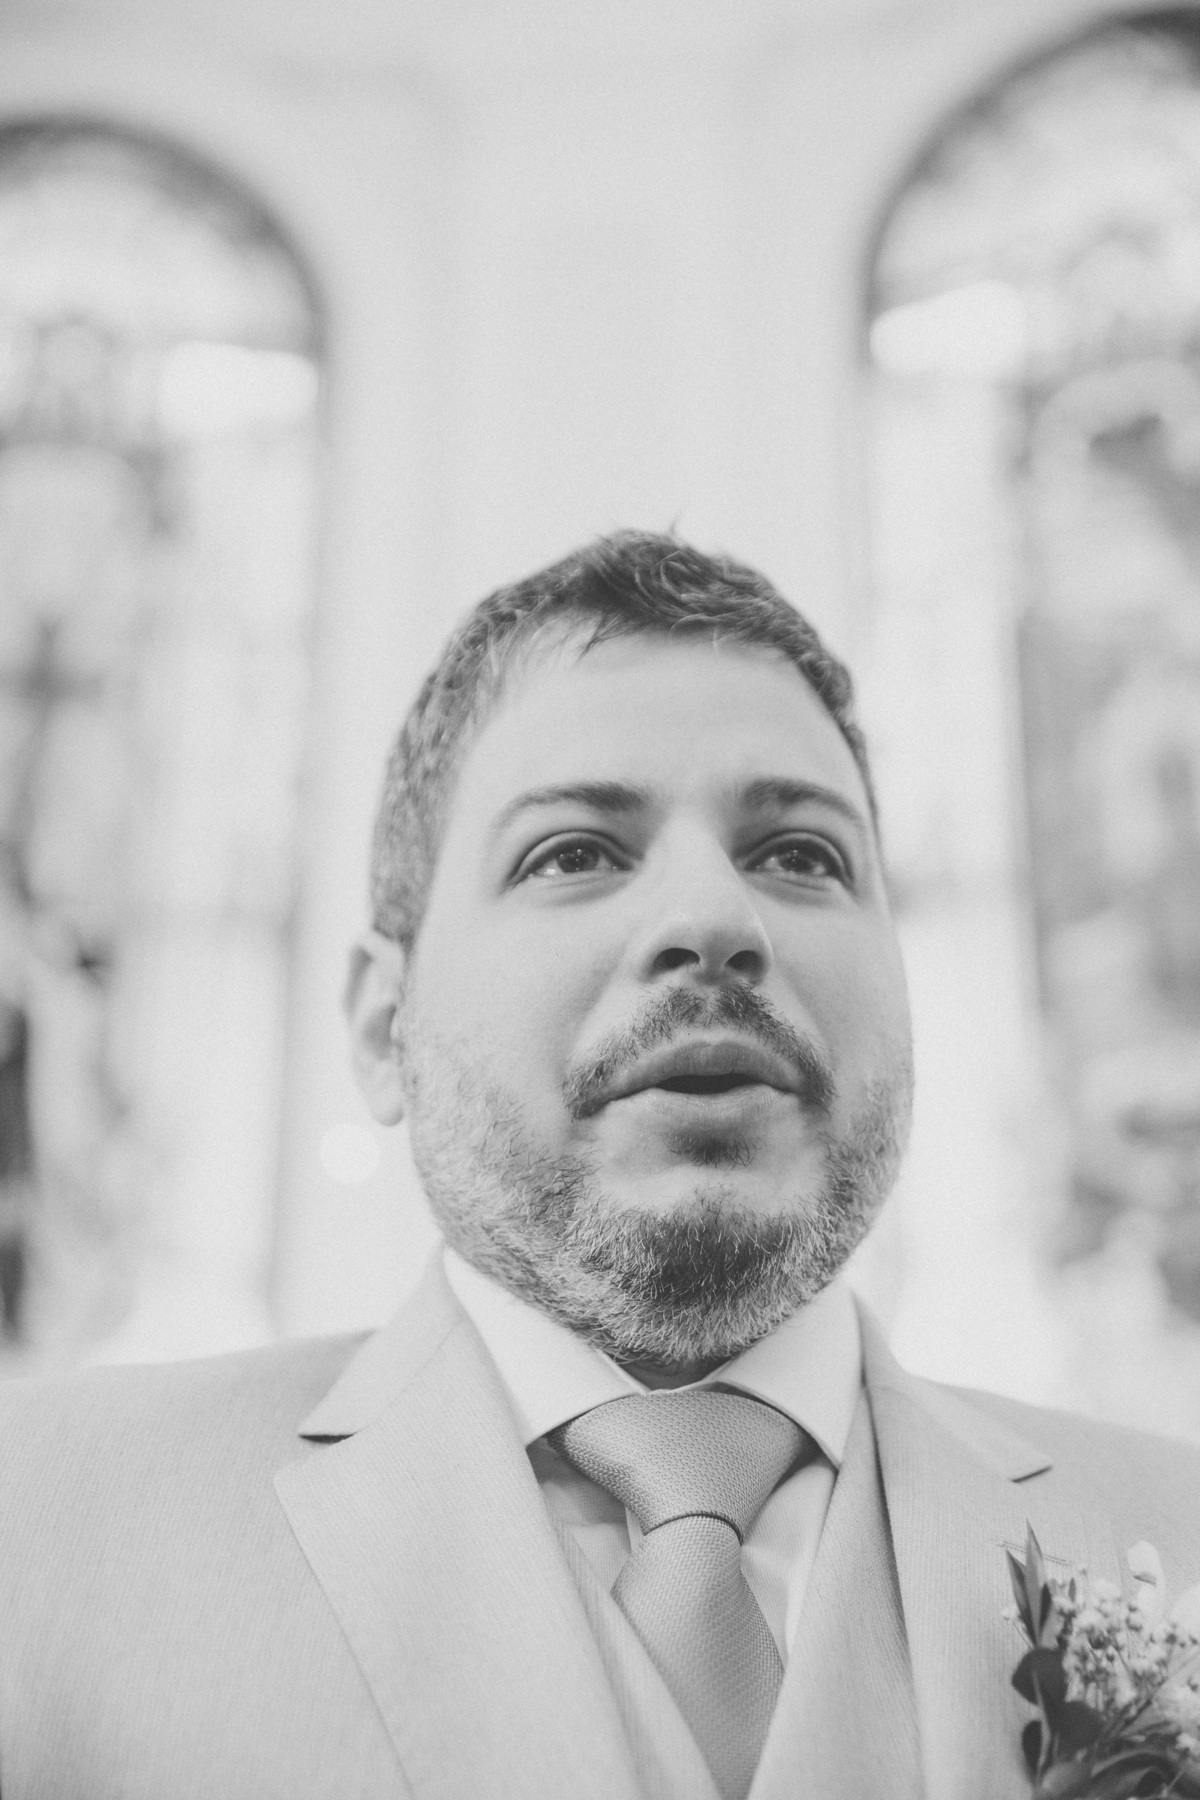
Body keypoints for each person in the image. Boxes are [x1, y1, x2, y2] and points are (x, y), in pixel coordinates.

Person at [0, 530, 1197, 1800]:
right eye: (572, 852)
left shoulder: (1172, 1536)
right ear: (381, 1026)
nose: (715, 920)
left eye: (801, 854)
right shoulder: (44, 1524)